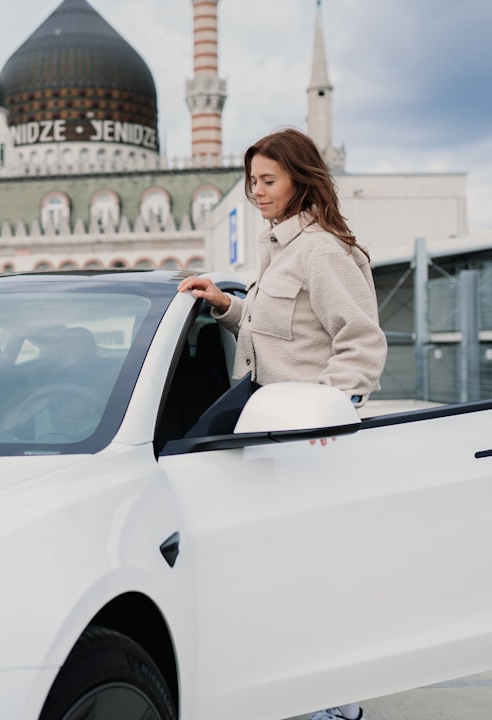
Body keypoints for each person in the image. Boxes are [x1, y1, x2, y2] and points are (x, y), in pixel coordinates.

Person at [178, 127, 386, 720]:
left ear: (300, 177)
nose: (257, 191)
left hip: (310, 440)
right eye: (251, 182)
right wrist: (225, 306)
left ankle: (333, 706)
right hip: (275, 435)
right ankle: (311, 694)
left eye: (267, 180)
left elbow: (361, 343)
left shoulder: (323, 251)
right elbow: (282, 332)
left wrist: (329, 410)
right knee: (290, 573)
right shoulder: (279, 249)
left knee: (315, 574)